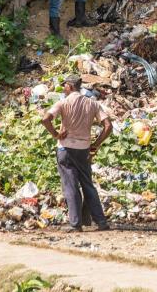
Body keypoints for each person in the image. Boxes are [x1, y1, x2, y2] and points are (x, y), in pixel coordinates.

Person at [41, 75, 113, 232]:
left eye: (64, 86)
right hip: (84, 150)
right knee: (88, 184)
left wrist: (55, 134)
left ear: (70, 86)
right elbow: (108, 126)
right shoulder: (92, 103)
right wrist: (95, 144)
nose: (63, 88)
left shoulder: (63, 103)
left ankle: (76, 224)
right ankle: (101, 222)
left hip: (65, 149)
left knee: (70, 185)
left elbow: (46, 119)